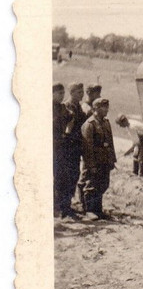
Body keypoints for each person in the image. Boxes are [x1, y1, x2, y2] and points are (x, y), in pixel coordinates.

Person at [81, 97, 117, 219]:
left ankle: (98, 209)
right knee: (91, 185)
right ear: (95, 108)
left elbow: (110, 142)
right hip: (94, 161)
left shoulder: (106, 123)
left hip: (105, 160)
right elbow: (87, 147)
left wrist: (112, 159)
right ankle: (89, 210)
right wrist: (90, 165)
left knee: (103, 184)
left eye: (107, 107)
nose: (106, 110)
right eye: (103, 107)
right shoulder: (89, 124)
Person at [61, 82, 86, 216]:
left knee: (74, 175)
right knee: (67, 176)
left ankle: (68, 205)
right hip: (68, 147)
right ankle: (64, 208)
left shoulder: (79, 107)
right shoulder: (66, 107)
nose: (81, 95)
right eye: (78, 92)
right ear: (71, 93)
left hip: (76, 146)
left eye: (82, 92)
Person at [52, 83, 73, 217]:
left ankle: (59, 206)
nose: (62, 96)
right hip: (49, 145)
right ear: (52, 93)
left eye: (63, 93)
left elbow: (71, 119)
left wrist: (67, 133)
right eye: (59, 93)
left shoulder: (63, 108)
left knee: (61, 176)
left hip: (60, 146)